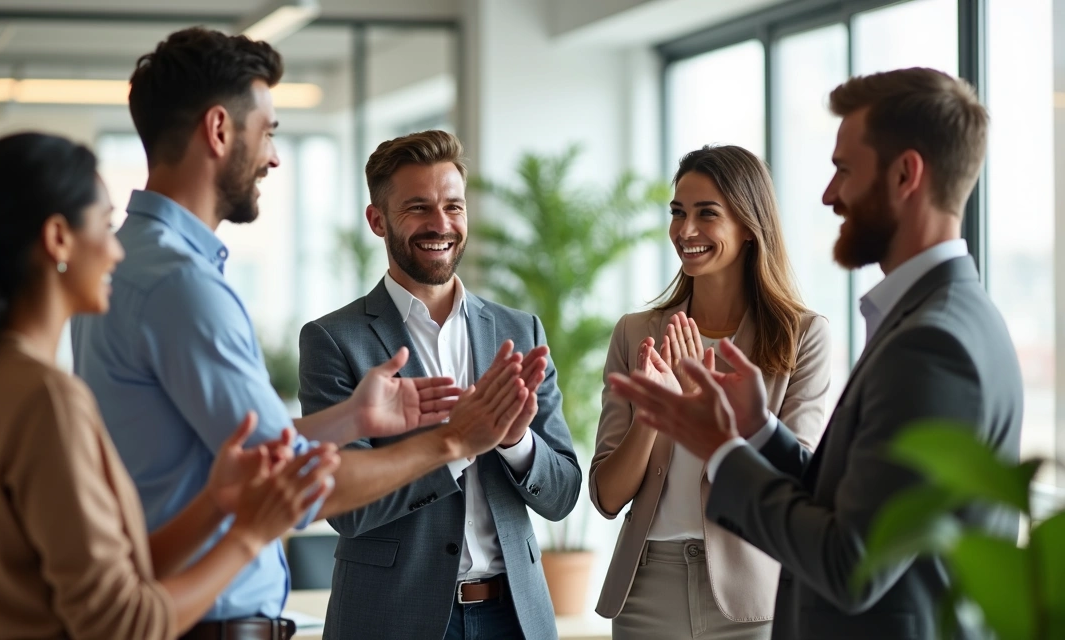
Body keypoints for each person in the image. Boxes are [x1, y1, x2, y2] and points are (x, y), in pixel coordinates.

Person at [71, 29, 531, 640]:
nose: (274, 157)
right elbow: (293, 486)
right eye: (268, 132)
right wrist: (451, 441)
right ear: (217, 130)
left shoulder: (121, 262)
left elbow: (241, 453)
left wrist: (347, 421)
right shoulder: (183, 287)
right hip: (202, 617)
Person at [610, 68, 1023, 640]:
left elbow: (852, 561)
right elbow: (854, 506)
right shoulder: (943, 317)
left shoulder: (934, 342)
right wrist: (756, 429)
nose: (829, 196)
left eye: (843, 171)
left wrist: (720, 447)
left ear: (906, 174)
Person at [0, 132, 340, 640]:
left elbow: (107, 579)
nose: (116, 251)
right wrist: (250, 533)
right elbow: (122, 625)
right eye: (106, 226)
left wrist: (214, 502)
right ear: (58, 238)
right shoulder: (46, 399)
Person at [298, 130, 582, 640]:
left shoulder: (521, 331)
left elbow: (562, 495)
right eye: (418, 208)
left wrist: (515, 442)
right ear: (377, 220)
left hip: (513, 618)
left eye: (454, 206)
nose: (441, 224)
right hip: (393, 619)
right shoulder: (332, 340)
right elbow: (345, 508)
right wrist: (455, 446)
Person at [589, 144, 831, 640]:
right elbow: (608, 497)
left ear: (748, 226)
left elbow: (799, 483)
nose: (685, 231)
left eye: (707, 214)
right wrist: (654, 414)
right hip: (644, 591)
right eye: (678, 213)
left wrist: (705, 412)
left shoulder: (803, 336)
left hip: (753, 593)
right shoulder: (636, 333)